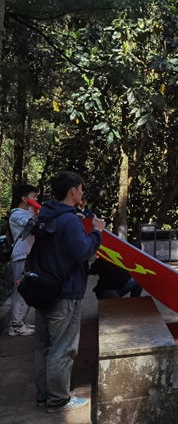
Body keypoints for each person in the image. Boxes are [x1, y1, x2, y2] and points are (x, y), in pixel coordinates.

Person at [29, 171, 105, 412]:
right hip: (65, 292)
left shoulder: (47, 215)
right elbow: (82, 252)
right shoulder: (69, 220)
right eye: (81, 189)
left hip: (44, 289)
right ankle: (59, 400)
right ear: (73, 191)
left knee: (44, 347)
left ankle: (45, 395)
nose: (82, 193)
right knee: (63, 348)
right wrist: (97, 231)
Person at [7, 185, 39, 336]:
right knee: (20, 290)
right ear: (24, 198)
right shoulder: (16, 215)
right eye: (33, 196)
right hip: (21, 255)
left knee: (27, 289)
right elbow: (31, 224)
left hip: (29, 254)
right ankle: (15, 326)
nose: (36, 199)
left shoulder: (31, 212)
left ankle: (20, 322)